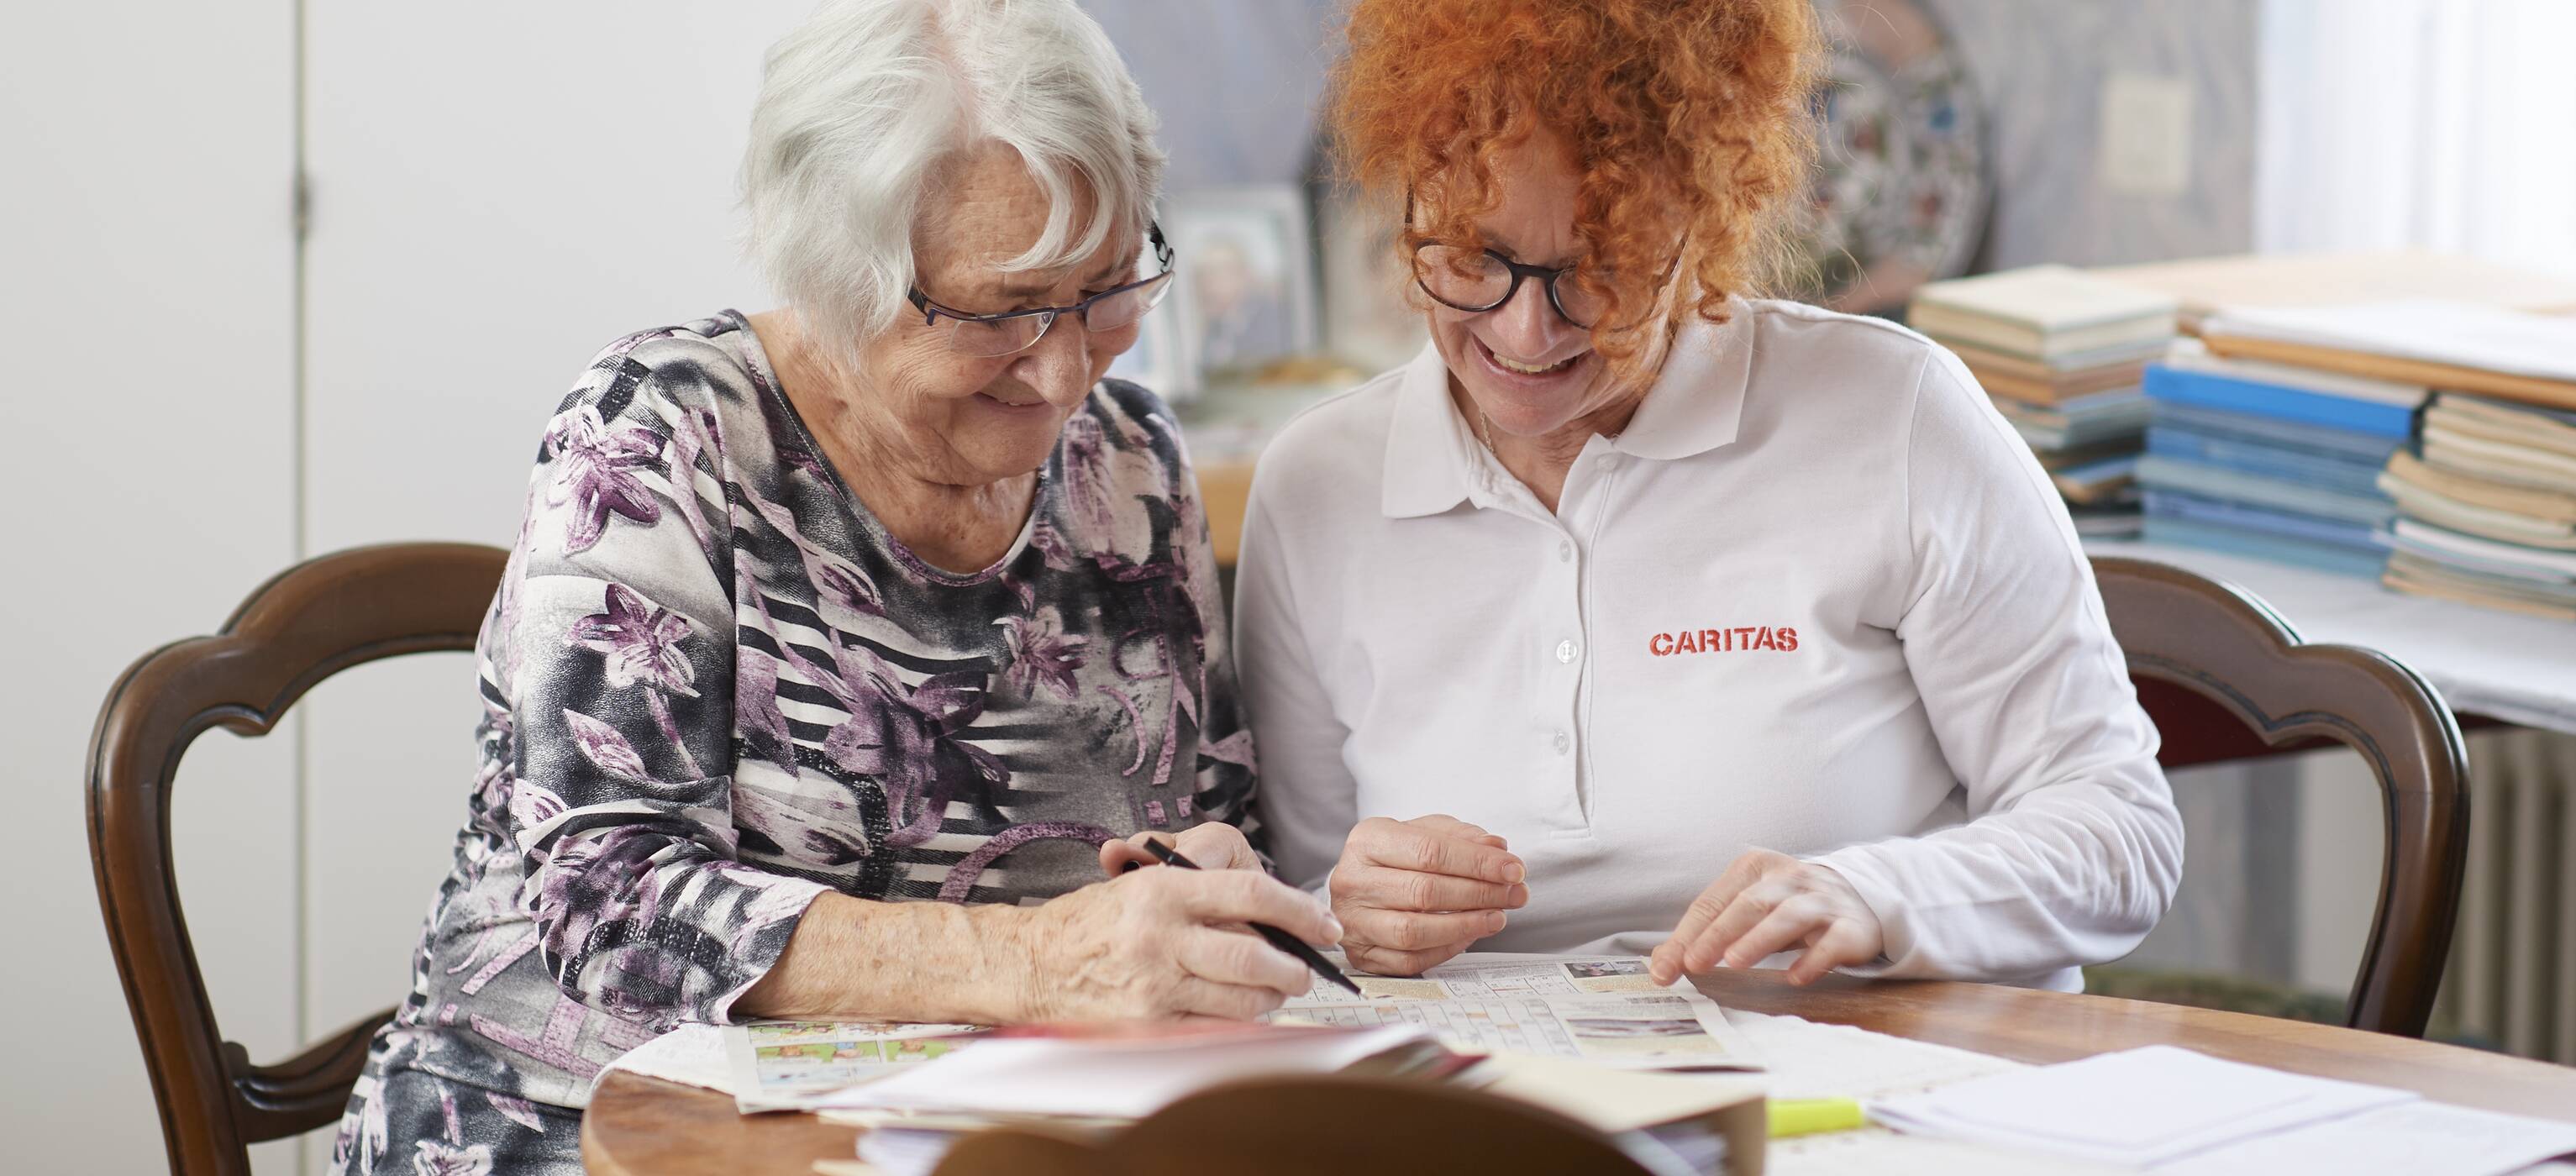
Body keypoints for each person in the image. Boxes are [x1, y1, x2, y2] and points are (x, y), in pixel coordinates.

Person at [329, 2, 1338, 1171]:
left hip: (979, 1136)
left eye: (1107, 288)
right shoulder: (661, 438)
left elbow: (1211, 822)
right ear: (834, 273)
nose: (1064, 371)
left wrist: (1218, 890)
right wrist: (1037, 962)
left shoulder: (1131, 466)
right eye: (1001, 311)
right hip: (579, 1130)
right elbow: (610, 913)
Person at [1239, 0, 2182, 994]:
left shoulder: (1894, 417)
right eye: (1472, 258)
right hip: (1509, 1105)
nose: (1524, 333)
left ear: (1702, 229)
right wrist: (1351, 913)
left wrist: (1877, 895)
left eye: (1598, 271)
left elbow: (2118, 828)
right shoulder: (1316, 488)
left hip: (1865, 1086)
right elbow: (1305, 899)